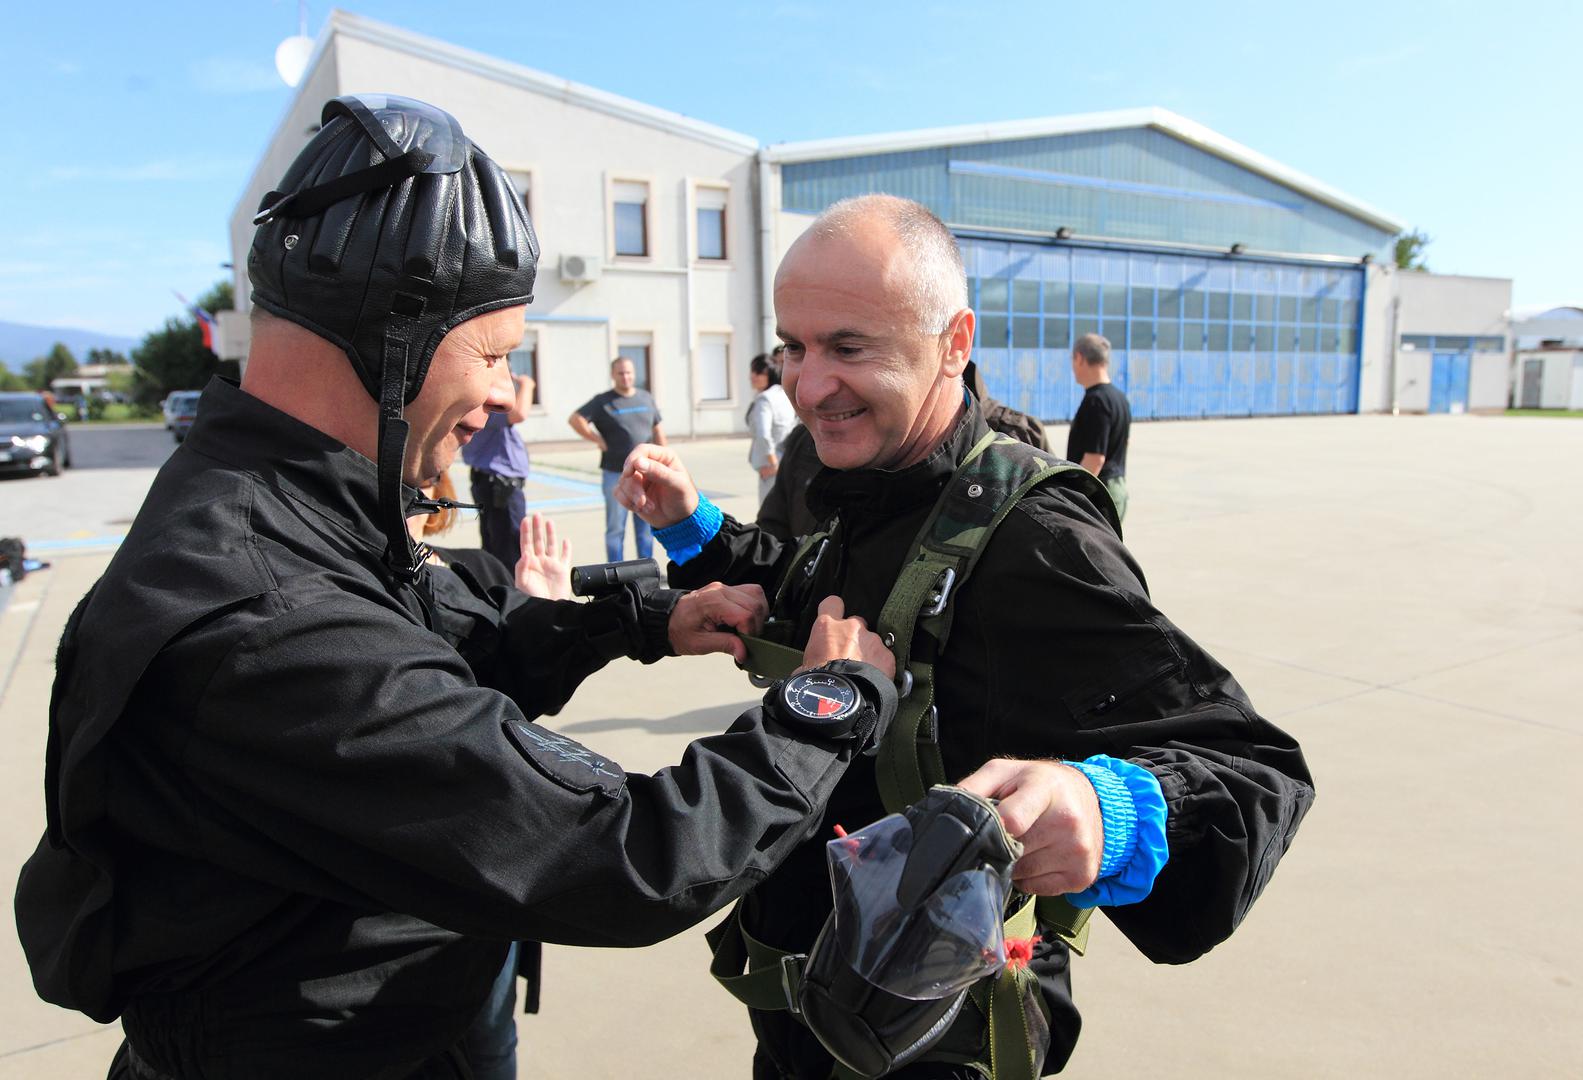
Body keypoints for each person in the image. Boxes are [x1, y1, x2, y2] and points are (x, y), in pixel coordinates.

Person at [12, 95, 906, 1080]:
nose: (504, 398)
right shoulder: (266, 624)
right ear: (392, 339)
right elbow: (616, 854)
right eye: (491, 354)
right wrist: (822, 709)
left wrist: (640, 619)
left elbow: (439, 636)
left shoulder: (276, 508)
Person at [618, 194, 1314, 1078]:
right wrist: (695, 531)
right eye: (794, 346)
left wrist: (1106, 809)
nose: (807, 383)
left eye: (848, 346)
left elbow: (1256, 773)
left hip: (934, 1040)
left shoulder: (1033, 540)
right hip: (817, 1015)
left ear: (953, 343)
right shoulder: (875, 480)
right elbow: (818, 587)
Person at [568, 358, 663, 561]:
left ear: (634, 374)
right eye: (620, 373)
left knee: (646, 527)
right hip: (615, 474)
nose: (625, 377)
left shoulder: (646, 398)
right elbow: (575, 419)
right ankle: (616, 574)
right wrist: (597, 439)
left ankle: (646, 570)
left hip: (644, 474)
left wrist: (663, 460)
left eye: (629, 372)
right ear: (613, 375)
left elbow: (657, 429)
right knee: (615, 528)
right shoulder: (603, 401)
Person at [461, 371, 535, 568]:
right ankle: (510, 592)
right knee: (510, 550)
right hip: (500, 486)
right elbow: (519, 413)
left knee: (494, 544)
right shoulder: (487, 408)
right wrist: (528, 385)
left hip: (489, 483)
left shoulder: (474, 405)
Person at [1066, 332, 1132, 523]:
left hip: (1100, 494)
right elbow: (1125, 442)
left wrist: (1072, 497)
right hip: (1117, 486)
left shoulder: (1096, 401)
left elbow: (1095, 459)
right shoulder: (1119, 398)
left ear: (1079, 358)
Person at [746, 348, 797, 503]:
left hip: (771, 467)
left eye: (759, 372)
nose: (752, 376)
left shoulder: (764, 400)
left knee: (769, 515)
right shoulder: (784, 394)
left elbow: (763, 434)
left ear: (770, 374)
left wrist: (773, 462)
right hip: (788, 461)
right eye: (753, 371)